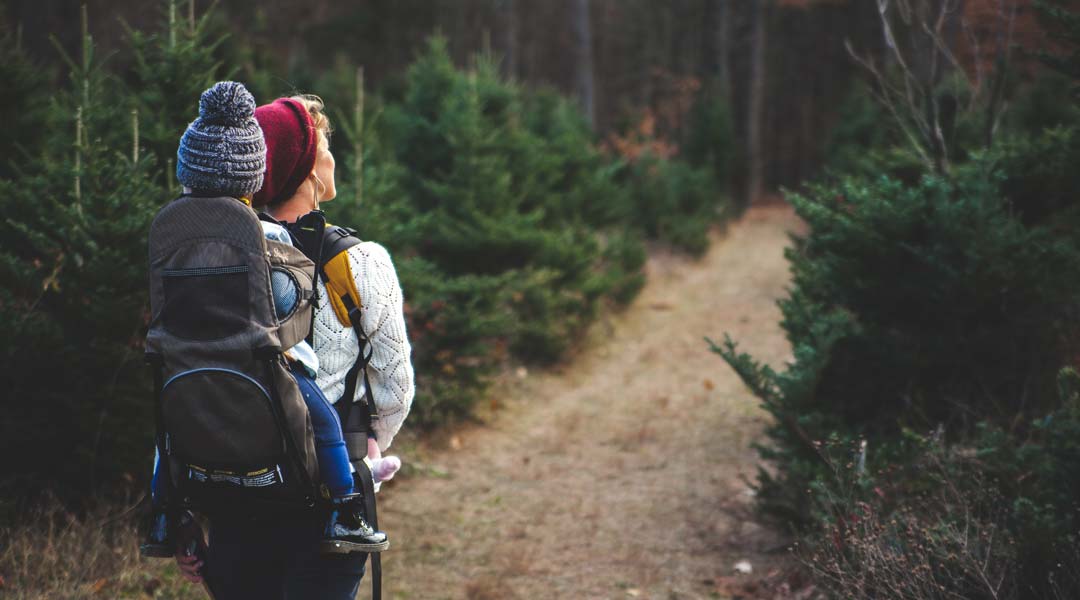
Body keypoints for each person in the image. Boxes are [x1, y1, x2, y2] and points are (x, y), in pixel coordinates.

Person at [174, 93, 415, 598]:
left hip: (234, 491)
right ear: (307, 169)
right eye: (325, 145)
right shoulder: (361, 262)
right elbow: (395, 386)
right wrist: (367, 453)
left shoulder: (217, 256)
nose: (333, 156)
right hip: (328, 502)